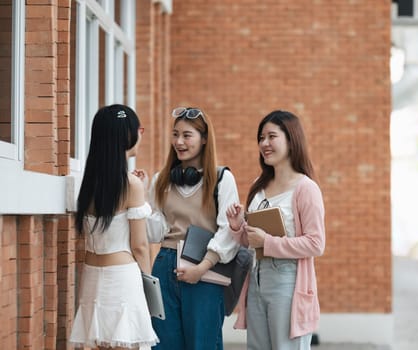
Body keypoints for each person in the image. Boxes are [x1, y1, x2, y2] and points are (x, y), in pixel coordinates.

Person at [226, 110, 326, 350]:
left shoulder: (305, 188)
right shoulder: (258, 186)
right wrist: (238, 226)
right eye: (261, 138)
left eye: (272, 136)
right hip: (257, 278)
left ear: (291, 140)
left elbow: (316, 243)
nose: (264, 144)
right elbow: (250, 242)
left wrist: (268, 242)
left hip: (287, 281)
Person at [149, 106, 240, 349]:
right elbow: (154, 232)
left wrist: (202, 268)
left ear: (204, 139)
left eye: (187, 135)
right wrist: (138, 203)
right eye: (175, 134)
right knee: (163, 343)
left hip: (205, 269)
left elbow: (227, 232)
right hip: (165, 264)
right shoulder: (160, 180)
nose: (179, 141)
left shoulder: (222, 179)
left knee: (204, 343)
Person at [69, 104, 159, 349]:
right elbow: (140, 246)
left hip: (91, 278)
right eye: (137, 129)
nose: (140, 135)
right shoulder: (130, 185)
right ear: (126, 136)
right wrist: (150, 289)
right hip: (122, 279)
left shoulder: (89, 183)